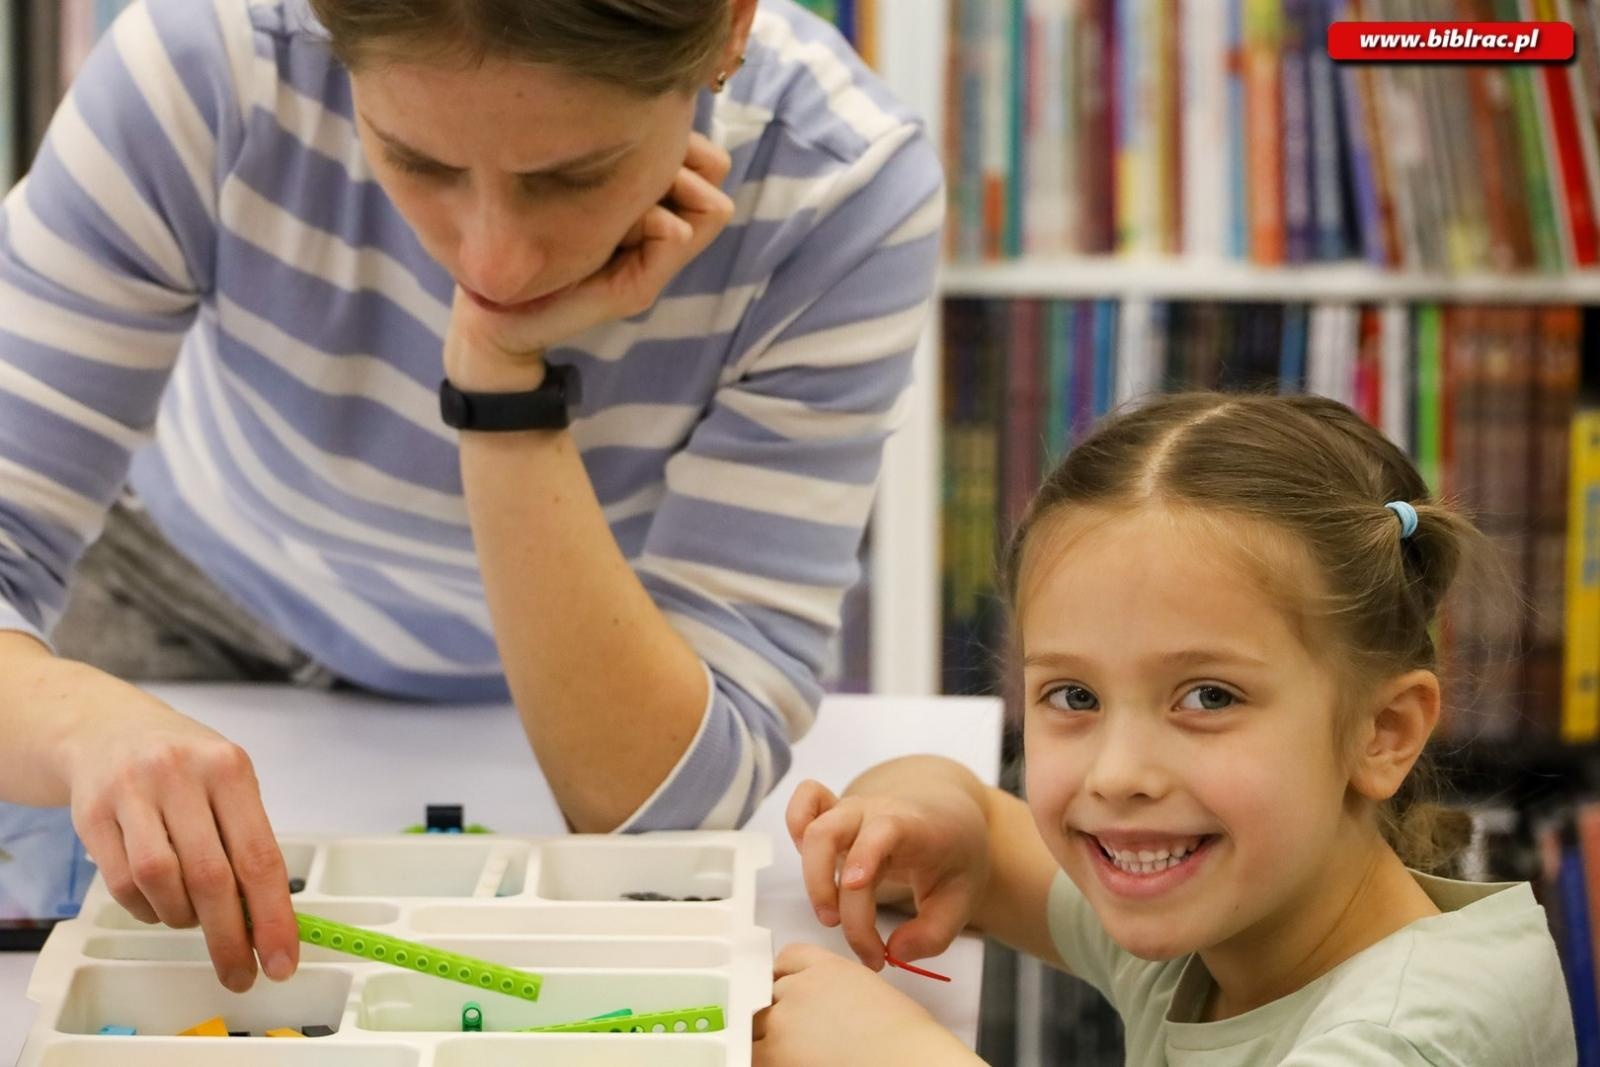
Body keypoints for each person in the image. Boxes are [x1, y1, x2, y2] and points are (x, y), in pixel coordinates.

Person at [0, 0, 943, 994]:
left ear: (727, 37)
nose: (492, 262)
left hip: (563, 674)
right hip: (182, 597)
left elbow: (665, 800)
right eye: (419, 161)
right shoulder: (203, 62)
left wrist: (499, 375)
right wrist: (79, 725)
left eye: (572, 175)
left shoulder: (840, 183)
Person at [757, 392, 1575, 1066]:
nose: (1118, 775)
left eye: (1209, 697)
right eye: (1074, 696)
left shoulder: (1413, 1035)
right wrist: (925, 815)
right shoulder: (1230, 909)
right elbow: (988, 835)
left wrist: (900, 1055)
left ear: (1382, 732)